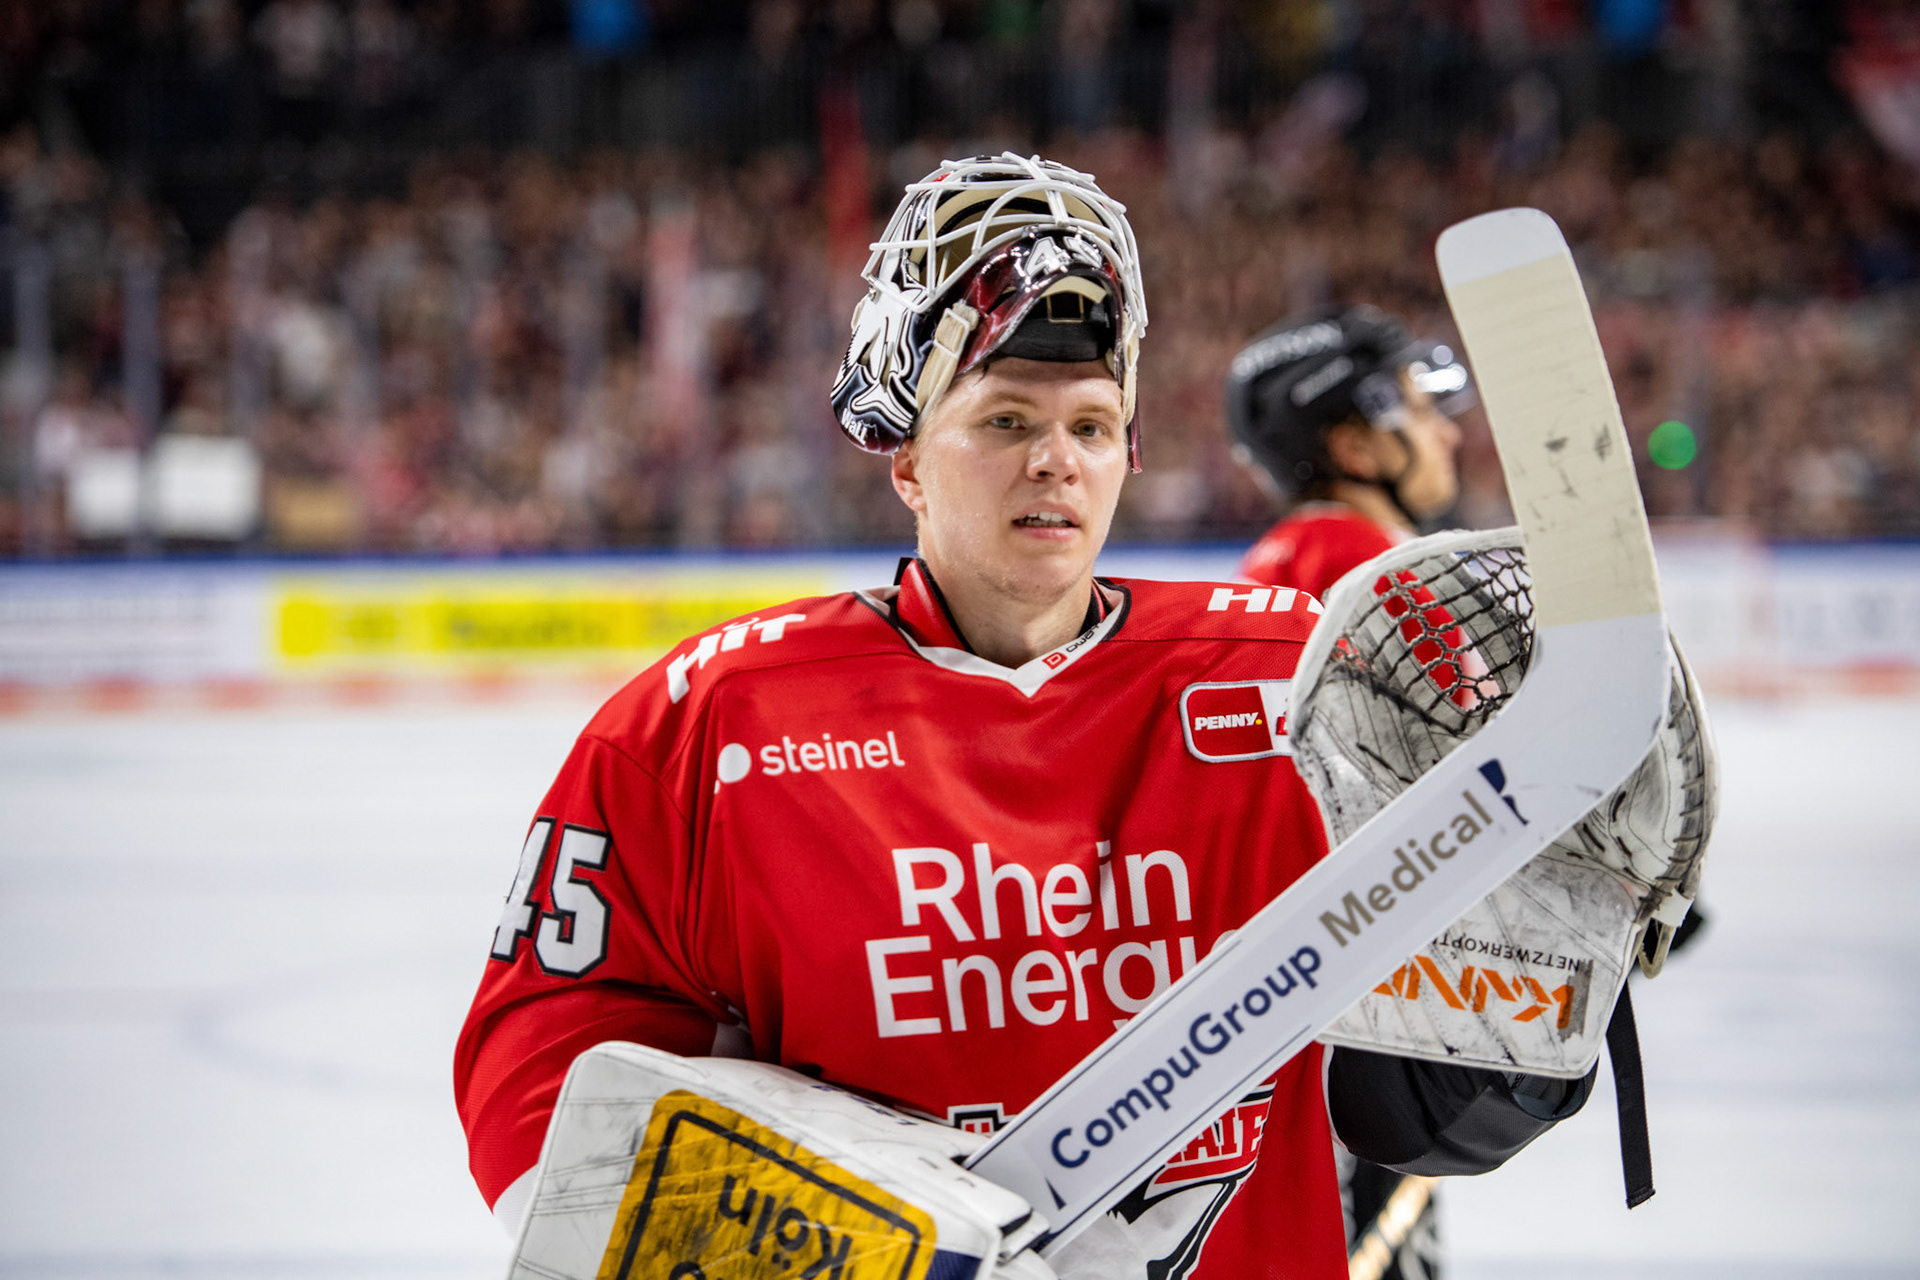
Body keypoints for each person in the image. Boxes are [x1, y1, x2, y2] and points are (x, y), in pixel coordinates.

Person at [454, 155, 1595, 1280]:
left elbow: (1439, 1072)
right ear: (906, 458)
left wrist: (1530, 998)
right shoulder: (708, 722)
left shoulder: (1305, 679)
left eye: (1093, 427)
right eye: (1004, 422)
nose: (1056, 460)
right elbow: (541, 1079)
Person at [1224, 307, 1478, 1280]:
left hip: (1321, 1010)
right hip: (1364, 1014)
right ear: (1355, 441)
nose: (1448, 430)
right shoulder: (1364, 566)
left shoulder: (1297, 559)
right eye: (1423, 407)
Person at [1227, 306, 1474, 603]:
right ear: (1355, 449)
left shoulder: (1269, 562)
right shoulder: (1397, 575)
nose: (1449, 435)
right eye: (1421, 413)